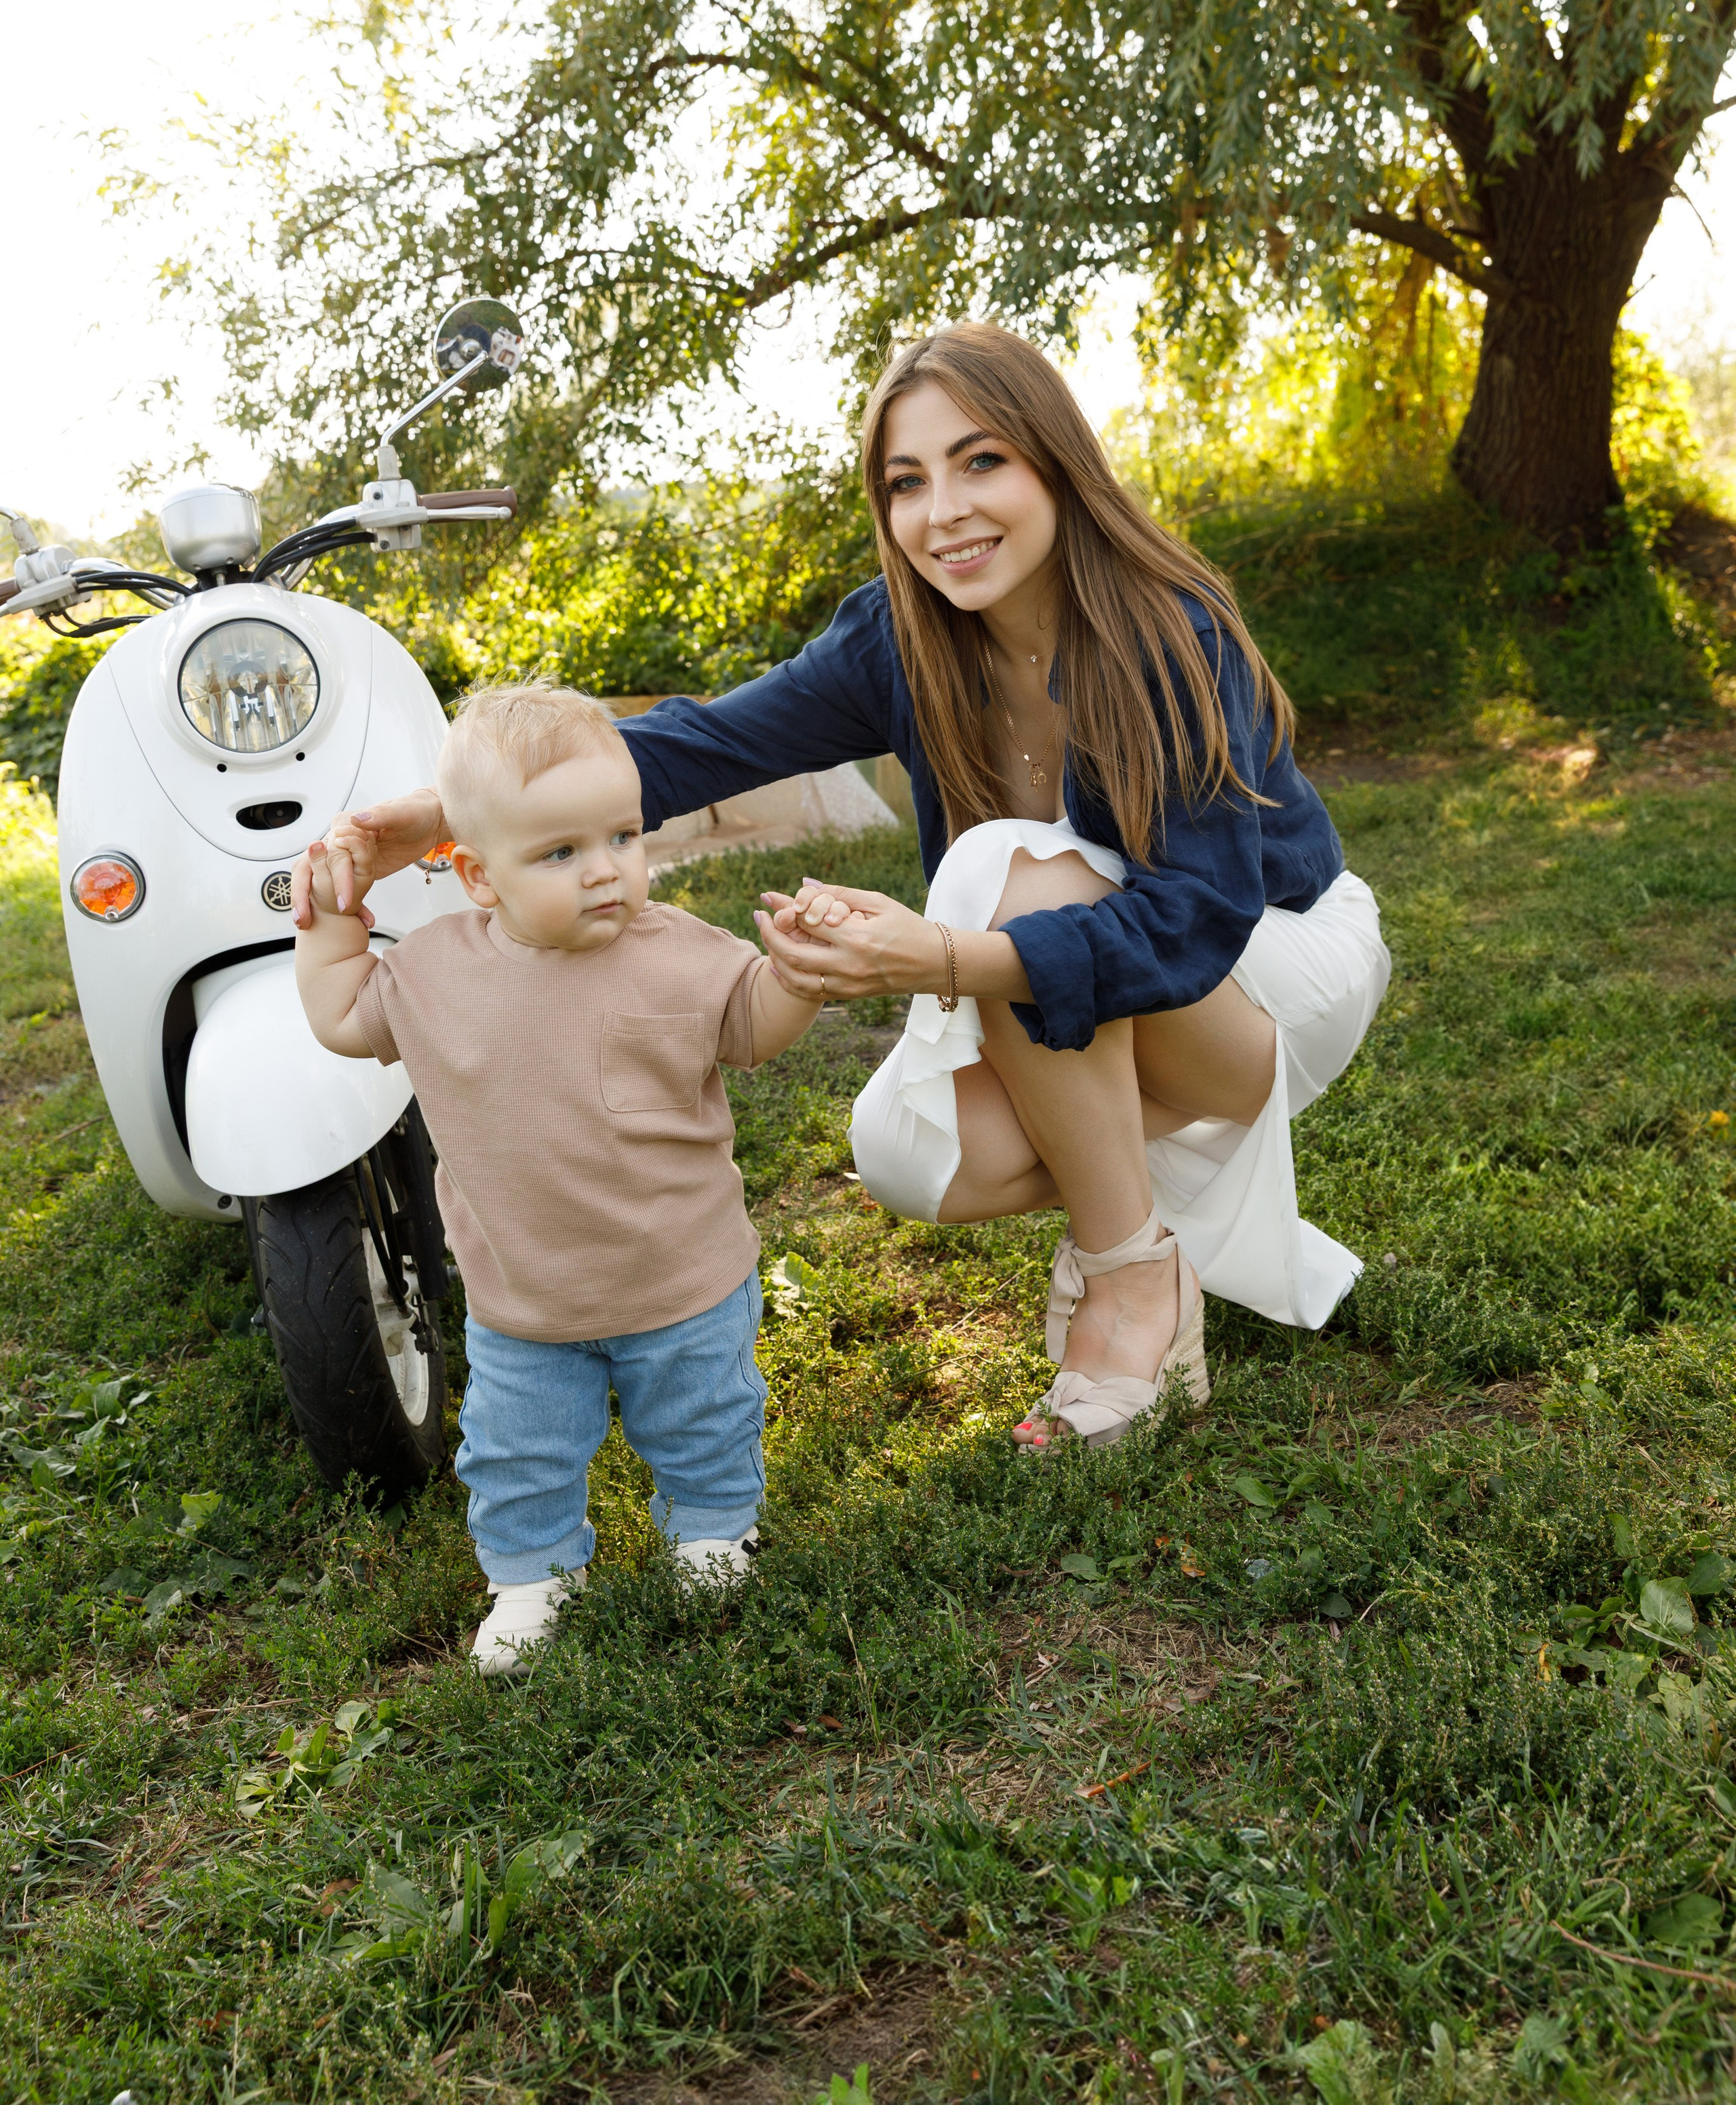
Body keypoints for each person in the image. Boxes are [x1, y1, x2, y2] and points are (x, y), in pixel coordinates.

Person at [296, 323, 1389, 1456]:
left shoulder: (1168, 638)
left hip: (1271, 967)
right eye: (906, 482)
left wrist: (948, 963)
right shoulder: (901, 640)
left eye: (982, 462)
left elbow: (1196, 920)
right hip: (1108, 969)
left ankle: (1133, 1285)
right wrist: (437, 818)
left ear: (1055, 461)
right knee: (915, 1154)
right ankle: (1141, 1186)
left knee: (998, 873)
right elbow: (701, 747)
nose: (943, 513)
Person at [292, 682, 826, 1672]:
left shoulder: (683, 954)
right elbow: (339, 1012)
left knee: (707, 1413)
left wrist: (793, 975)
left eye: (623, 838)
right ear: (477, 877)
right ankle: (535, 1575)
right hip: (525, 1300)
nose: (606, 873)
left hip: (684, 1278)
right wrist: (330, 918)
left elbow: (751, 1024)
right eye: (560, 854)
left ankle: (711, 1531)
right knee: (516, 1450)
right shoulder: (431, 975)